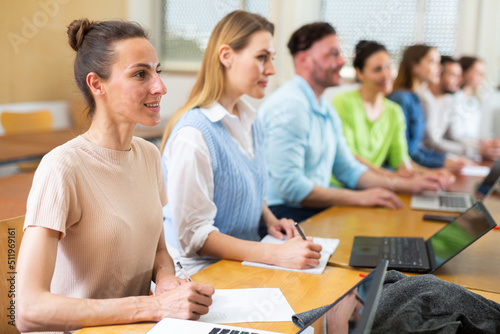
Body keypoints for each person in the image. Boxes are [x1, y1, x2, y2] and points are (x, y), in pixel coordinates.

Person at [16, 19, 214, 334]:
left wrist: (165, 280)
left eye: (157, 71)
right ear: (97, 85)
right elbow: (29, 311)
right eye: (140, 74)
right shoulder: (62, 168)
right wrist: (155, 306)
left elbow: (159, 249)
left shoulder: (149, 156)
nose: (159, 87)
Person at [160, 11, 322, 276]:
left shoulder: (251, 121)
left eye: (271, 58)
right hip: (198, 275)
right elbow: (195, 238)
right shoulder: (193, 135)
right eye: (261, 57)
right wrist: (276, 254)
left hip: (241, 264)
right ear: (226, 56)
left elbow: (244, 187)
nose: (270, 69)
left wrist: (270, 220)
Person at [259, 23, 447, 223]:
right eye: (333, 54)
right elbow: (291, 189)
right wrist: (360, 197)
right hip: (281, 215)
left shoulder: (325, 108)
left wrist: (404, 185)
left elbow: (347, 168)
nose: (341, 61)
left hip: (306, 209)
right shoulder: (291, 107)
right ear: (304, 59)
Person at [333, 40, 452, 179]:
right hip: (343, 185)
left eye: (388, 66)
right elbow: (350, 157)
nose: (386, 75)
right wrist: (391, 177)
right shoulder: (343, 103)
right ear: (359, 73)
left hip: (375, 185)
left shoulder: (394, 111)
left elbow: (401, 160)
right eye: (377, 69)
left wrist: (430, 174)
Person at [389, 45, 468, 171]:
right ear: (415, 66)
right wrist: (442, 163)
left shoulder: (416, 98)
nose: (440, 68)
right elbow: (406, 152)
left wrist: (444, 160)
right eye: (433, 62)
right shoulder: (401, 98)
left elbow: (417, 148)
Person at [421, 56, 482, 161]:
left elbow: (455, 135)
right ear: (438, 74)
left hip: (439, 158)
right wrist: (476, 150)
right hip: (425, 159)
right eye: (454, 75)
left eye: (460, 75)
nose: (460, 80)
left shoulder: (449, 100)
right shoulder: (424, 99)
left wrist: (478, 147)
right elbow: (432, 142)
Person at [455, 56, 500, 161]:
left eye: (483, 73)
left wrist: (486, 142)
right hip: (458, 154)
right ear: (464, 72)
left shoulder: (474, 101)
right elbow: (455, 136)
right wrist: (479, 146)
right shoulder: (454, 99)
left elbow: (472, 134)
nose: (482, 76)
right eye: (477, 72)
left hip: (472, 152)